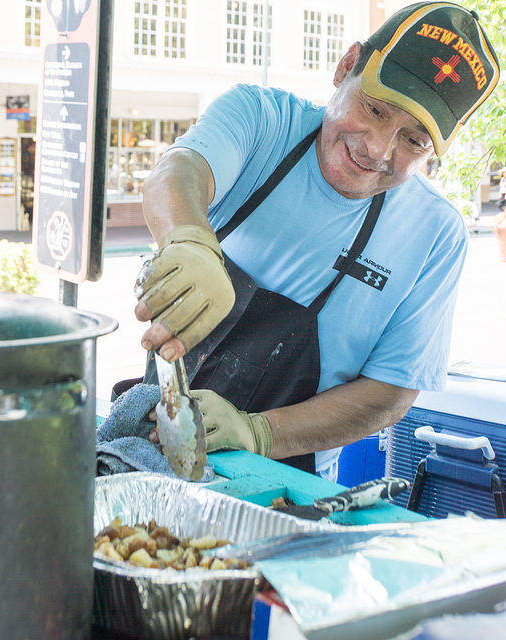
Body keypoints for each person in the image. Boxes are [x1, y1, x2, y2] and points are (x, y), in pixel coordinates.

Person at [130, 2, 500, 480]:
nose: (377, 149)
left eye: (414, 141)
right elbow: (178, 170)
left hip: (288, 489)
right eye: (374, 109)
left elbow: (391, 393)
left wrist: (258, 432)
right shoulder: (261, 120)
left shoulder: (435, 236)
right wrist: (190, 240)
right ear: (346, 66)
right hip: (152, 451)